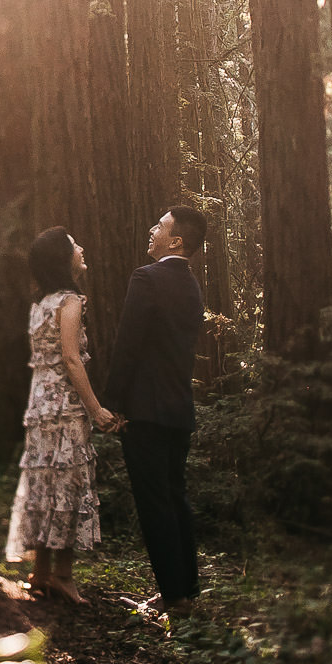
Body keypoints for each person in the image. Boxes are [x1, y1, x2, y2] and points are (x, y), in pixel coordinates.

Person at [5, 226, 118, 604]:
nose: (81, 247)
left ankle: (41, 572)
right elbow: (71, 358)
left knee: (44, 484)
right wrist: (96, 408)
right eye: (74, 245)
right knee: (68, 483)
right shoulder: (70, 301)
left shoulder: (39, 304)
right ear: (62, 259)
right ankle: (63, 576)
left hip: (40, 404)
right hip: (64, 404)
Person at [105, 204, 207, 614]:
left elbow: (127, 347)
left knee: (154, 503)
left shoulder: (146, 279)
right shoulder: (192, 286)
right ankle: (187, 588)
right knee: (175, 496)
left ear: (176, 240)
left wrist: (111, 405)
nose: (152, 229)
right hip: (179, 409)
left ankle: (173, 596)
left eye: (160, 226)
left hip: (145, 410)